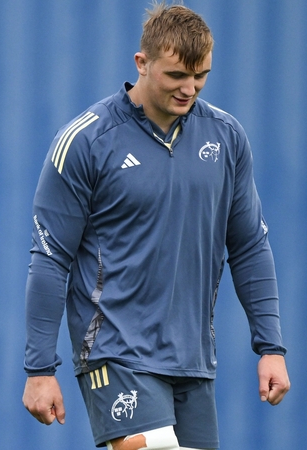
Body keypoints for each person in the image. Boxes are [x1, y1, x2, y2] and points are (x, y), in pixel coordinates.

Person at [21, 3, 289, 449]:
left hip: (193, 361)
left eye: (200, 75)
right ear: (141, 64)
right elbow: (50, 259)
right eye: (176, 76)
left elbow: (248, 247)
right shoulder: (86, 141)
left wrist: (271, 347)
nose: (190, 89)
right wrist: (39, 370)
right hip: (115, 352)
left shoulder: (226, 138)